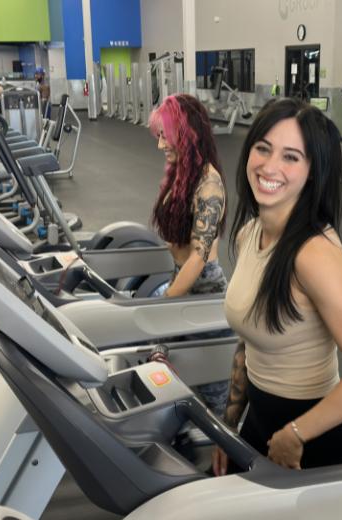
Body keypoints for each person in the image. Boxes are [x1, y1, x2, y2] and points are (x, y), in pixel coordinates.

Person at [213, 98, 342, 474]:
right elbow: (248, 339)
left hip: (314, 435)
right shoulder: (250, 234)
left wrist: (295, 435)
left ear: (313, 171)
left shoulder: (313, 255)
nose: (270, 166)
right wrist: (228, 427)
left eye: (291, 157)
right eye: (263, 148)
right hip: (259, 420)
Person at [147, 93, 229, 414]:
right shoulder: (181, 175)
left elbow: (198, 256)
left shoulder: (209, 184)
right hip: (180, 281)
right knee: (173, 375)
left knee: (213, 398)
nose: (160, 145)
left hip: (204, 291)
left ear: (186, 133)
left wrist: (165, 306)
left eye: (165, 136)